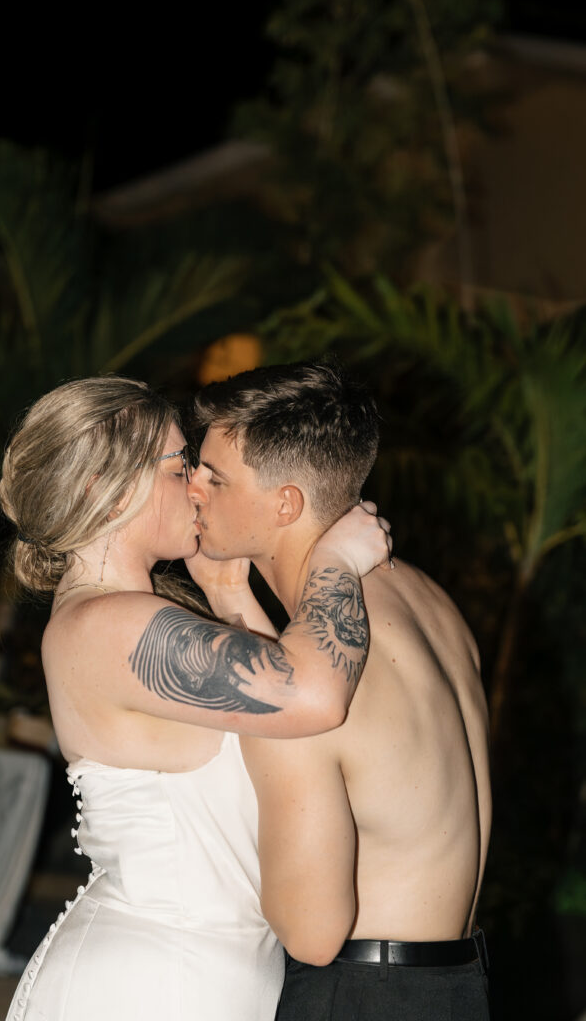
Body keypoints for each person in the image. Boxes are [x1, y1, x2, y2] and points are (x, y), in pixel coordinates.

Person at [0, 375, 390, 1021]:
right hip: (152, 982)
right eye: (182, 466)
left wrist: (229, 593)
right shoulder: (108, 625)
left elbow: (287, 730)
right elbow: (315, 696)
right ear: (105, 489)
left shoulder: (127, 616)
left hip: (194, 971)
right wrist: (336, 563)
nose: (201, 485)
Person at [190, 361, 492, 1021]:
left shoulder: (302, 695)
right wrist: (227, 592)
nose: (192, 489)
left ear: (285, 504)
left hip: (358, 994)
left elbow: (310, 933)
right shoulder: (427, 602)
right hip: (456, 986)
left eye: (214, 477)